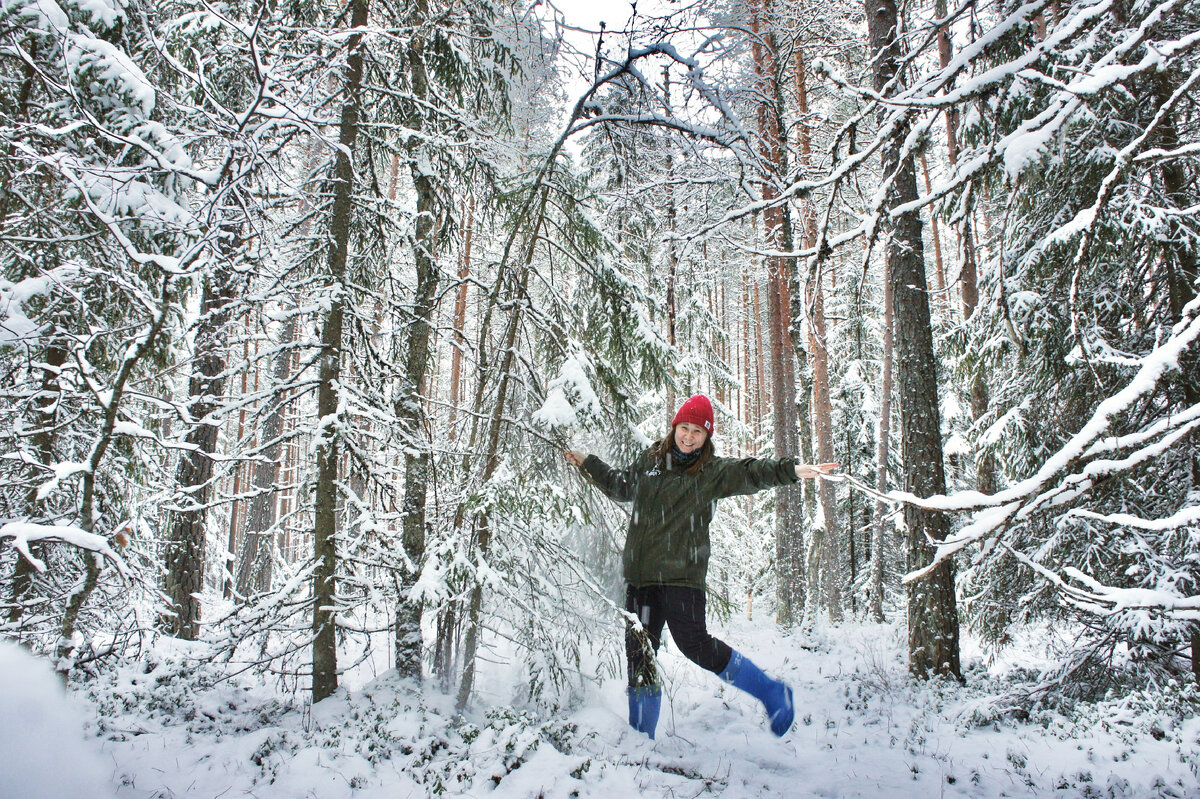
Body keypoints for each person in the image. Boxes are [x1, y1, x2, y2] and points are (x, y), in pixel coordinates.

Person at [564, 394, 837, 740]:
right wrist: (588, 462)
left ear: (706, 436)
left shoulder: (711, 472)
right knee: (640, 657)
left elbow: (751, 472)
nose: (688, 437)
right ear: (674, 426)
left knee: (695, 645)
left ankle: (771, 692)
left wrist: (792, 471)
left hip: (682, 578)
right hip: (641, 580)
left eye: (697, 431)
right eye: (684, 428)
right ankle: (640, 740)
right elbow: (621, 486)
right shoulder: (651, 460)